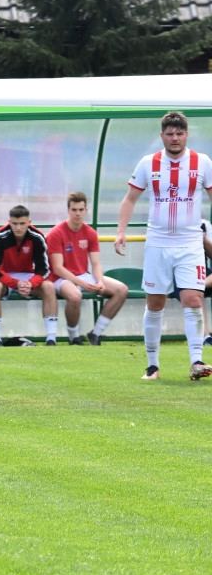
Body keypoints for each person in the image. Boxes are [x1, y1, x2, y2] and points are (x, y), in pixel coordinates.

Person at [115, 111, 212, 380]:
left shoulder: (202, 162)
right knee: (155, 303)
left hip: (190, 243)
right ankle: (152, 365)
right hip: (157, 243)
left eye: (179, 133)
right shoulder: (149, 163)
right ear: (162, 136)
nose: (175, 138)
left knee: (193, 298)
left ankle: (197, 361)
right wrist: (121, 231)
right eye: (169, 134)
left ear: (186, 135)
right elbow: (130, 199)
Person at [47, 192, 129, 345]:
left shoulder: (90, 232)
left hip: (83, 275)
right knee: (75, 296)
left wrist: (99, 281)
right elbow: (58, 268)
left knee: (121, 290)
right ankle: (74, 337)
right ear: (68, 210)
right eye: (74, 210)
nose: (78, 214)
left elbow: (96, 263)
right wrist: (82, 284)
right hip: (60, 278)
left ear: (86, 210)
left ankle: (95, 334)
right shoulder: (56, 233)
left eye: (81, 209)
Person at [0, 205, 58, 346]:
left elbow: (44, 269)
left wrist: (31, 283)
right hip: (3, 276)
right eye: (15, 223)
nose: (18, 227)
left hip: (26, 276)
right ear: (9, 222)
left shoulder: (37, 237)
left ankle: (51, 339)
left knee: (49, 287)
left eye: (22, 224)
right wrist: (16, 283)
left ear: (29, 222)